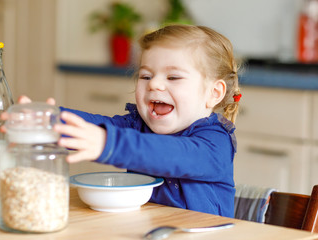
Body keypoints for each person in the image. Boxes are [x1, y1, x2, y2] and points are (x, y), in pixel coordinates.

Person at [12, 24, 241, 217]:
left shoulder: (215, 144)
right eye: (146, 76)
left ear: (214, 93)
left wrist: (108, 144)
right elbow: (93, 126)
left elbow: (172, 154)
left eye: (173, 77)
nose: (154, 84)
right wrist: (48, 119)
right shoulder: (136, 126)